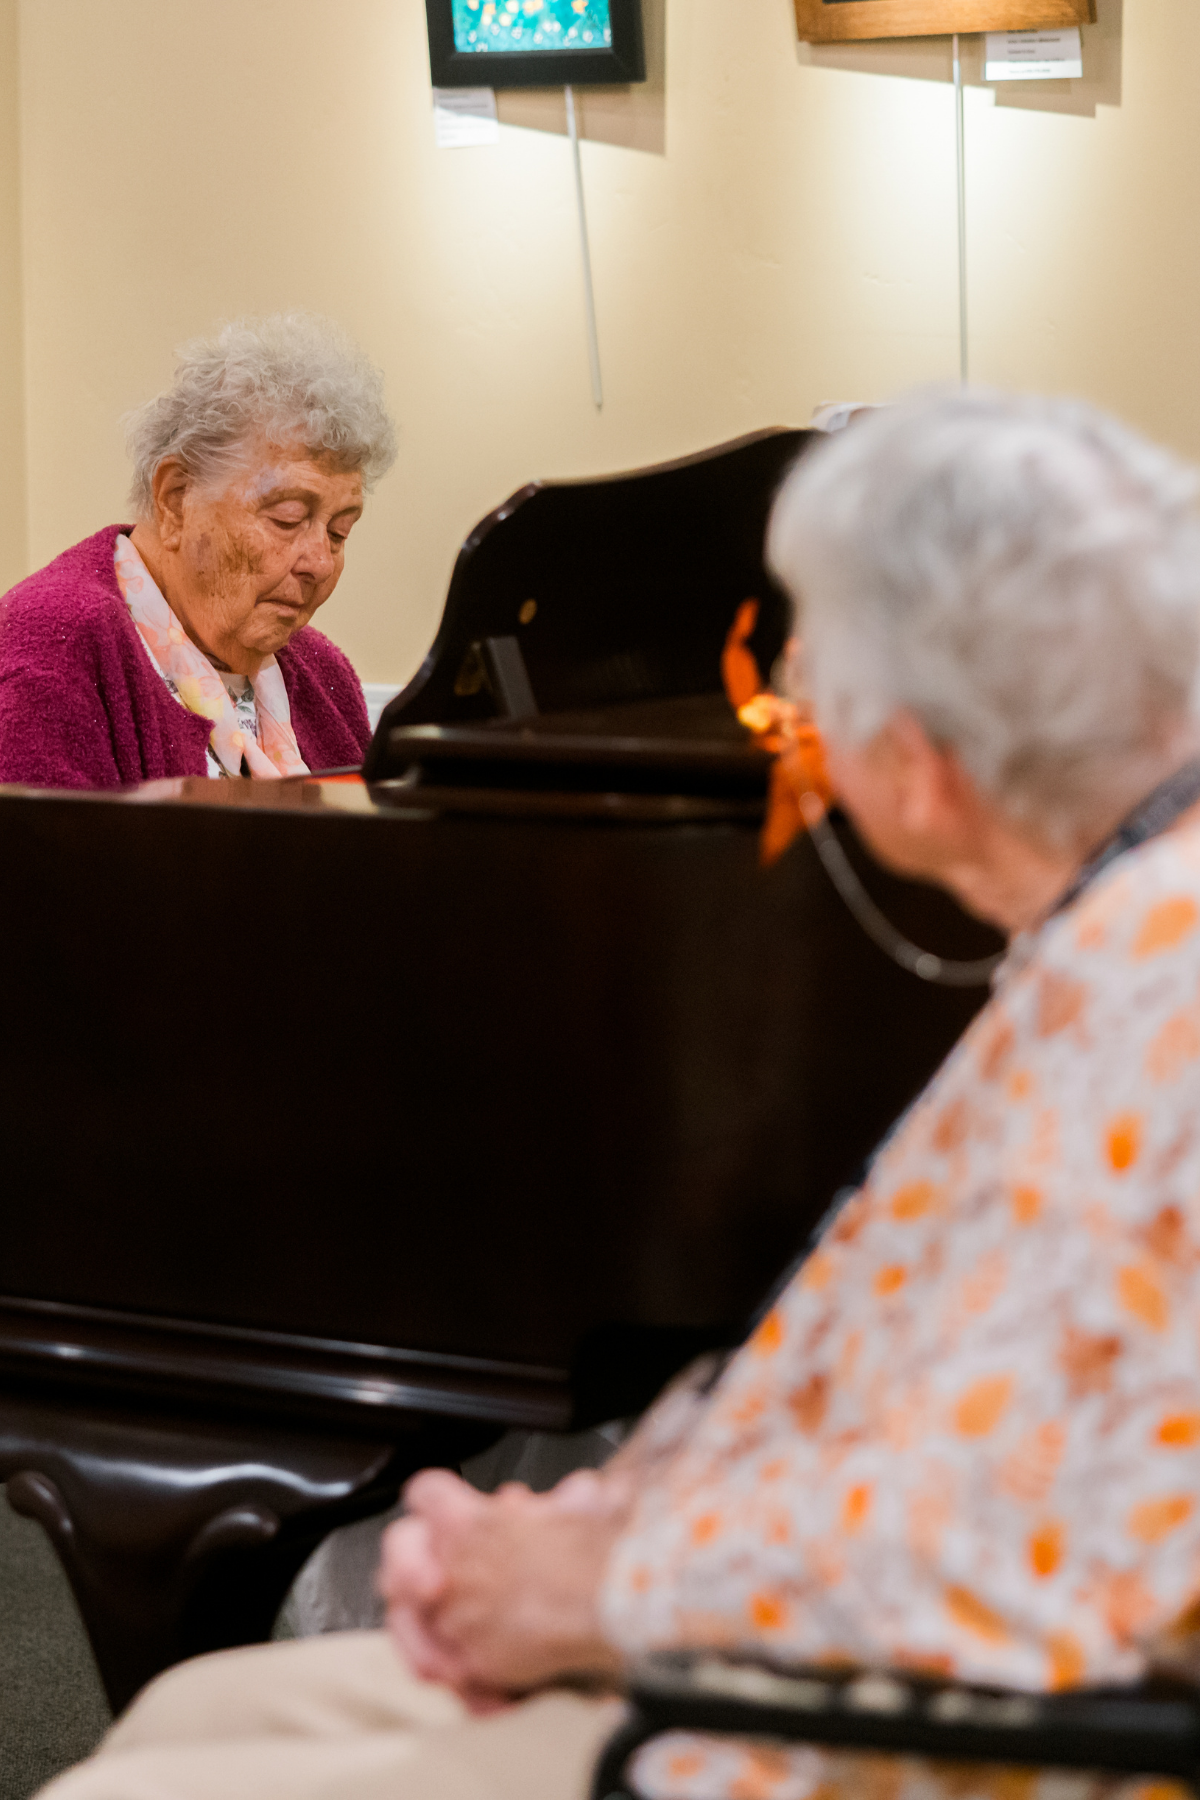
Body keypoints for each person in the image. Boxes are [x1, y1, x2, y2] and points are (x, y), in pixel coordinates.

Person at [39, 389, 1200, 1800]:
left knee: (134, 1783)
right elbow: (911, 1368)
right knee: (193, 1720)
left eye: (801, 679)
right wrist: (624, 1506)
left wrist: (608, 1584)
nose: (787, 716)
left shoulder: (1157, 986)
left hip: (867, 1736)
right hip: (776, 1617)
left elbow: (1072, 1558)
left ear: (918, 756)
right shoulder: (1112, 933)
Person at [0, 313, 396, 789]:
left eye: (339, 531)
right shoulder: (53, 644)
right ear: (176, 498)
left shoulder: (320, 670)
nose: (320, 562)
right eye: (287, 518)